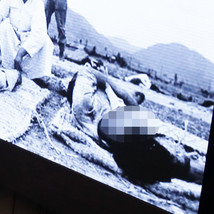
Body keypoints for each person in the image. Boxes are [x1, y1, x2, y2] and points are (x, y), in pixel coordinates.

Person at [66, 65, 204, 186]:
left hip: (118, 132)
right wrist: (126, 95)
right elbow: (85, 71)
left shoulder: (105, 100)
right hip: (111, 127)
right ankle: (176, 166)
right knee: (163, 158)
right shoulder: (86, 103)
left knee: (156, 153)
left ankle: (174, 166)